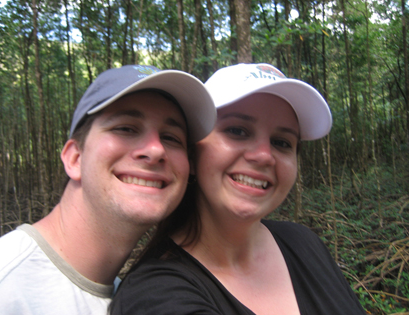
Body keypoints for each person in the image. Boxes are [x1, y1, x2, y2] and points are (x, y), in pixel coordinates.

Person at [110, 63, 366, 315]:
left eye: (281, 142)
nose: (264, 155)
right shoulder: (153, 294)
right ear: (192, 154)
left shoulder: (303, 243)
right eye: (237, 131)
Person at [0, 65, 216, 314]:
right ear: (75, 158)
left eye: (171, 137)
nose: (155, 150)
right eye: (126, 128)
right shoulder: (1, 288)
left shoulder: (138, 297)